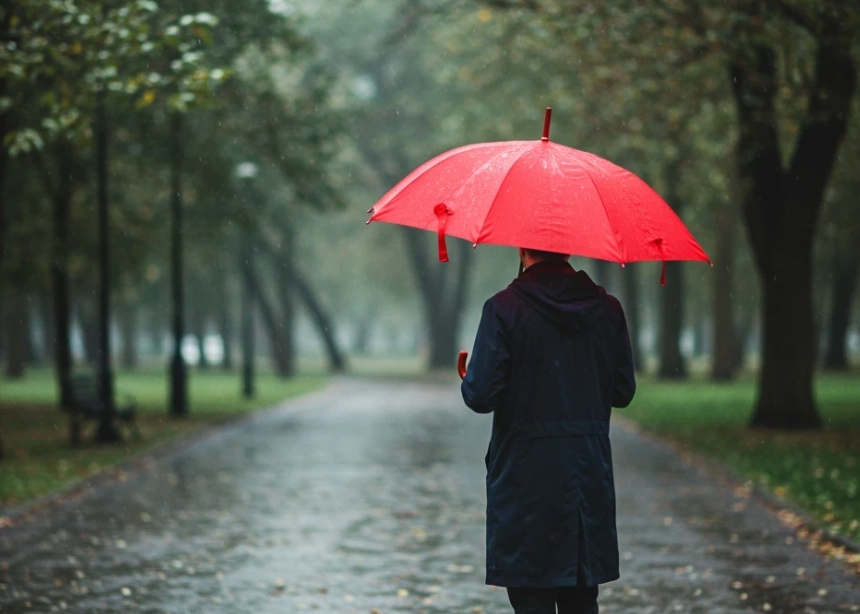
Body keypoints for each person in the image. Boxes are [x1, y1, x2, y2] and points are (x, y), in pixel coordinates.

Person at [461, 248, 636, 614]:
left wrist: (472, 374)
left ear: (522, 248)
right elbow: (622, 391)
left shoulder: (504, 309)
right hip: (586, 481)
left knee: (531, 599)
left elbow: (481, 395)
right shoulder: (608, 309)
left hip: (526, 482)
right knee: (581, 600)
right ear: (568, 249)